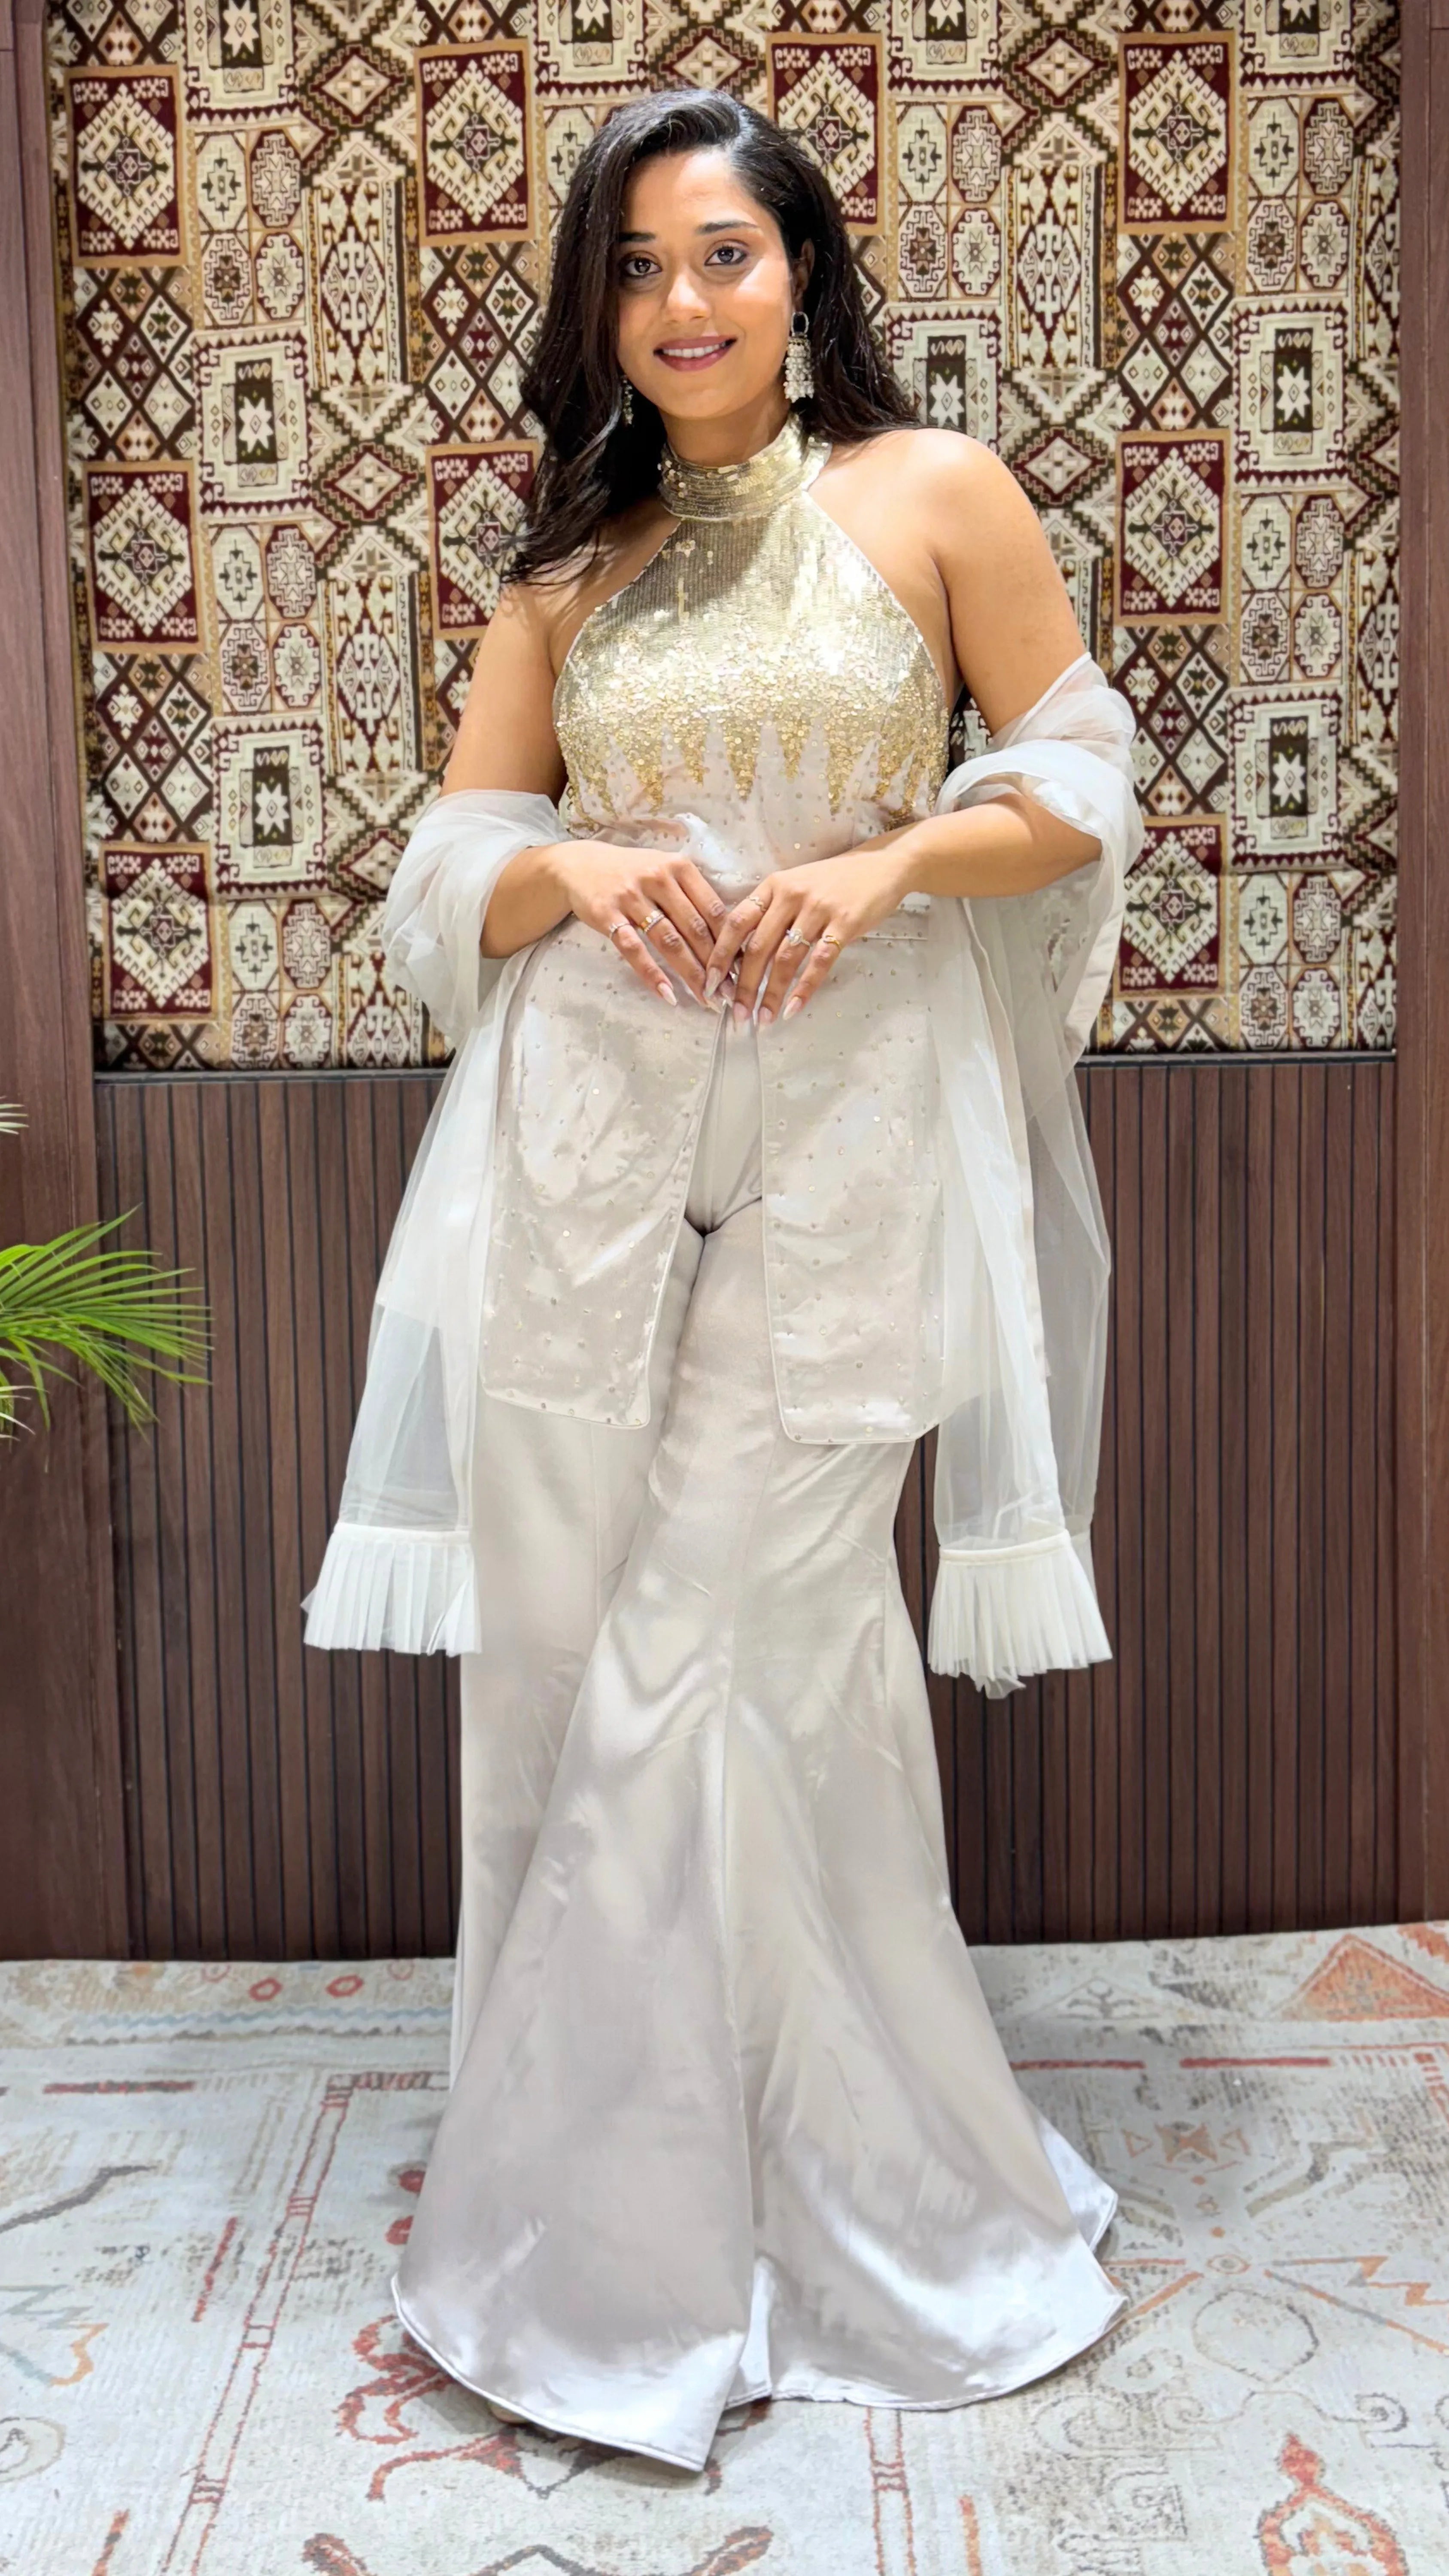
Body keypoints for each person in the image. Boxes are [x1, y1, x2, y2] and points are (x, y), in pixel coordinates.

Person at [304, 88, 1143, 2472]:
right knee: (577, 1676)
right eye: (640, 271)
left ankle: (734, 2240)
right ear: (602, 311)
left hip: (858, 1134)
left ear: (802, 279)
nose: (685, 304)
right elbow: (446, 868)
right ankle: (645, 2216)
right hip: (578, 1159)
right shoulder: (570, 571)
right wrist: (573, 880)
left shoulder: (934, 494)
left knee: (742, 1644)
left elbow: (1080, 774)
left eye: (726, 258)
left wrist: (889, 872)